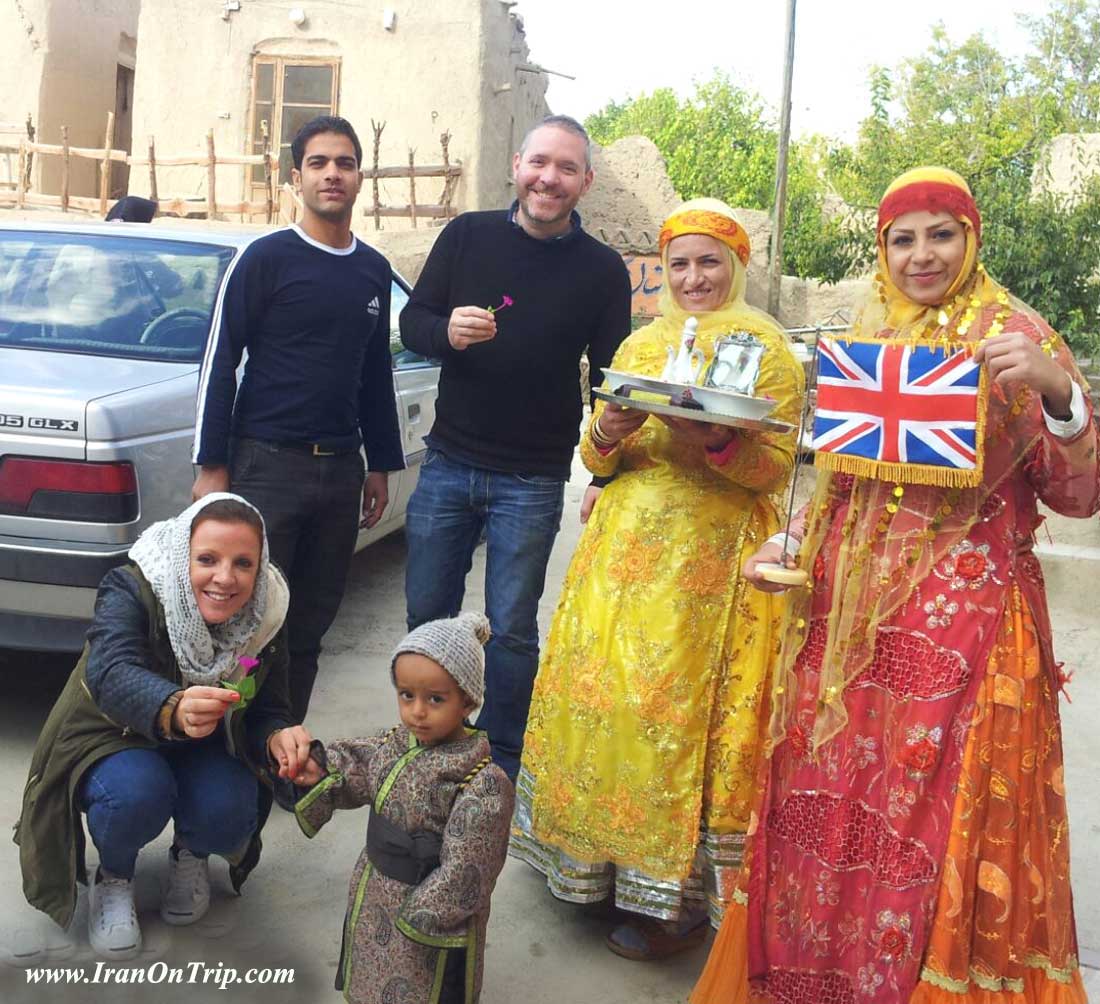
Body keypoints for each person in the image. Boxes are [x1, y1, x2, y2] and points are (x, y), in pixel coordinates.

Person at [691, 167, 1100, 1004]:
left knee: (937, 813)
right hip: (845, 622)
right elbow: (846, 482)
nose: (921, 256)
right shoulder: (872, 333)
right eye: (901, 238)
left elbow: (1080, 495)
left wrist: (1060, 394)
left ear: (972, 238)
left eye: (940, 234)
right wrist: (792, 537)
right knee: (833, 804)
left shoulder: (1015, 336)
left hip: (967, 631)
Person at [510, 199, 805, 960]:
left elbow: (773, 471)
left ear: (736, 266)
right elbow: (600, 456)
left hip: (708, 570)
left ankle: (669, 903)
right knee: (602, 708)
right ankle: (590, 869)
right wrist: (605, 435)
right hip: (618, 564)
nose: (693, 277)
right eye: (679, 264)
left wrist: (714, 441)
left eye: (709, 262)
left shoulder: (768, 348)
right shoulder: (639, 346)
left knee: (671, 724)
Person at [399, 114, 632, 780]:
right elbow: (411, 323)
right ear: (516, 165)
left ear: (584, 182)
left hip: (531, 477)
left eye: (565, 169)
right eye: (539, 163)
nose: (548, 179)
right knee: (426, 612)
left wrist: (606, 472)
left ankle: (502, 754)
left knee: (512, 627)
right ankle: (426, 739)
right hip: (449, 461)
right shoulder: (468, 236)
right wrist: (446, 328)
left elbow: (611, 380)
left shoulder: (602, 270)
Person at [14, 494, 315, 961]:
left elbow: (269, 707)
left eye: (243, 563)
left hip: (208, 742)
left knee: (231, 810)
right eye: (207, 559)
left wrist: (279, 736)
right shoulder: (132, 585)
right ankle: (113, 877)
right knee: (134, 795)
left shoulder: (268, 611)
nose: (225, 578)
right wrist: (170, 706)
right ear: (182, 555)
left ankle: (190, 854)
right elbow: (110, 670)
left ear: (260, 567)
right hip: (118, 733)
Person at [191, 115, 405, 725]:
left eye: (344, 163)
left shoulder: (371, 269)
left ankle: (277, 752)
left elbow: (373, 373)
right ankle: (224, 760)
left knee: (309, 626)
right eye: (318, 163)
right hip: (266, 468)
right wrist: (211, 466)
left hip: (340, 474)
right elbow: (221, 358)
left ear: (361, 178)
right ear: (296, 177)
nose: (332, 174)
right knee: (247, 625)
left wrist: (381, 464)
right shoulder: (265, 259)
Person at [292, 612, 514, 1004]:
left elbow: (469, 869)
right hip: (375, 887)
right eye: (407, 695)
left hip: (422, 910)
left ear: (468, 700)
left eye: (436, 699)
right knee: (372, 974)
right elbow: (361, 764)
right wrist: (322, 769)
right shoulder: (397, 742)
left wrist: (420, 917)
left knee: (422, 981)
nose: (417, 711)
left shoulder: (482, 782)